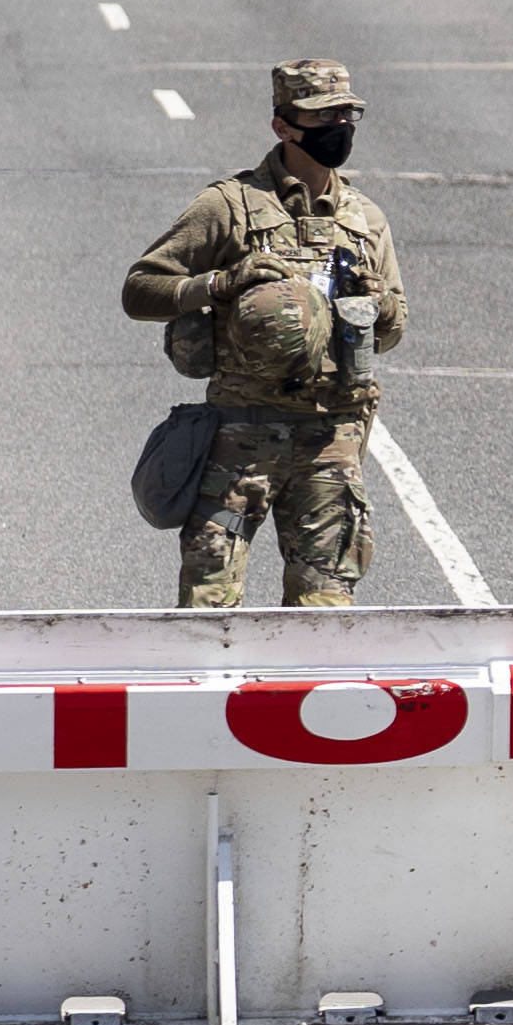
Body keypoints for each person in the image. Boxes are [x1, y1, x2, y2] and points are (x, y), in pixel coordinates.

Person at [117, 56, 412, 610]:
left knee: (325, 608)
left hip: (330, 442)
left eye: (347, 117)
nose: (338, 131)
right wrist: (219, 283)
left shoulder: (365, 217)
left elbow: (393, 331)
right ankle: (206, 695)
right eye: (323, 119)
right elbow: (140, 289)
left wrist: (378, 306)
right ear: (283, 126)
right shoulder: (229, 205)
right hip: (242, 441)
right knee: (209, 601)